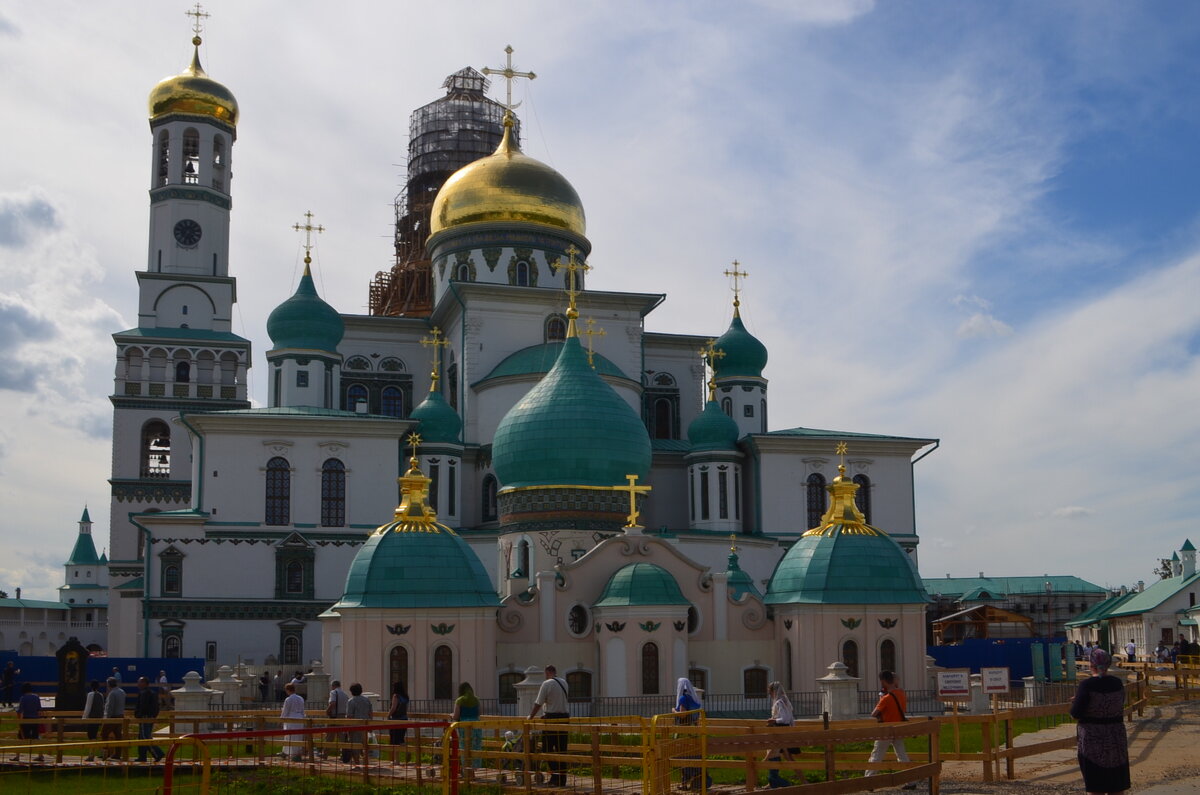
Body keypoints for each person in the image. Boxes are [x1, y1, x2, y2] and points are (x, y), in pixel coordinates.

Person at [1070, 649, 1130, 795]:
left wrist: (1075, 701)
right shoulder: (1117, 683)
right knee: (1116, 784)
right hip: (1116, 737)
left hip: (1093, 740)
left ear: (1092, 664)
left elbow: (1075, 713)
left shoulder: (1087, 685)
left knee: (1096, 784)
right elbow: (1120, 703)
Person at [866, 670, 915, 788]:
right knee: (902, 755)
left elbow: (874, 713)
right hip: (898, 728)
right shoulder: (901, 694)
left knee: (877, 755)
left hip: (886, 729)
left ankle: (868, 782)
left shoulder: (886, 698)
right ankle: (911, 781)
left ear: (883, 681)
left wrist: (881, 699)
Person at [529, 664, 571, 787]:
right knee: (561, 749)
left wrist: (531, 716)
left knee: (546, 748)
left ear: (547, 673)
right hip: (564, 718)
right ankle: (562, 779)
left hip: (552, 719)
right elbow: (557, 701)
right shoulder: (564, 683)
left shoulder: (546, 684)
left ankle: (555, 776)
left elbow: (538, 703)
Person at [674, 677, 709, 791]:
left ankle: (684, 783)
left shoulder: (683, 699)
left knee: (684, 759)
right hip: (693, 733)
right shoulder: (694, 700)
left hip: (684, 732)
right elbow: (696, 719)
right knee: (695, 758)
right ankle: (696, 782)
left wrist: (674, 710)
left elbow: (683, 715)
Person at [763, 681, 795, 788]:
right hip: (784, 731)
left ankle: (780, 782)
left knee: (774, 753)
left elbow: (784, 719)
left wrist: (773, 721)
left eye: (770, 691)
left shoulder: (780, 703)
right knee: (779, 754)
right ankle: (772, 778)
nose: (769, 694)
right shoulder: (785, 701)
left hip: (780, 731)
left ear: (774, 691)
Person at [10, 683, 44, 763]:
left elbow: (20, 711)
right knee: (36, 737)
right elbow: (39, 710)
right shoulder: (36, 697)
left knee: (21, 738)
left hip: (26, 720)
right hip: (35, 720)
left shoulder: (23, 698)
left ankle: (17, 756)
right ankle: (40, 755)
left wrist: (20, 721)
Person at [134, 676, 164, 762]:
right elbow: (157, 706)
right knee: (142, 737)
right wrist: (154, 715)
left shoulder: (144, 693)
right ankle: (142, 756)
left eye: (139, 682)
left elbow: (143, 706)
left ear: (144, 683)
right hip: (151, 717)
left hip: (145, 717)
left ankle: (158, 753)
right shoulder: (153, 693)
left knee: (145, 737)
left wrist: (138, 714)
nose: (138, 684)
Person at [453, 681, 482, 768]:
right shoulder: (476, 699)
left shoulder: (460, 700)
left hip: (464, 726)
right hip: (476, 725)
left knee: (465, 747)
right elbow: (480, 713)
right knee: (476, 746)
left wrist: (451, 716)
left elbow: (456, 716)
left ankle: (467, 769)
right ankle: (475, 767)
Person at [342, 683, 372, 765]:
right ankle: (366, 762)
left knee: (355, 745)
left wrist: (346, 728)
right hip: (365, 725)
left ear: (352, 691)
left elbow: (349, 716)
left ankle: (357, 763)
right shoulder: (367, 700)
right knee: (365, 744)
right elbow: (370, 713)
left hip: (355, 726)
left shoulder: (351, 701)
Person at [280, 682, 307, 762]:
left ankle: (291, 754)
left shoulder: (288, 699)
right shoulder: (300, 698)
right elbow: (302, 710)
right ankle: (296, 753)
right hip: (299, 718)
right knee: (298, 736)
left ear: (288, 690)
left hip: (291, 719)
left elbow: (285, 711)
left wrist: (281, 719)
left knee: (290, 736)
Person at [100, 677, 126, 761]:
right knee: (118, 735)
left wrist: (106, 718)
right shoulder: (122, 692)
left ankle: (105, 753)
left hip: (113, 716)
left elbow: (110, 707)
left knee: (104, 734)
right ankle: (117, 754)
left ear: (108, 684)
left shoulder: (112, 693)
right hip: (121, 715)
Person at [387, 681, 410, 766]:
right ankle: (408, 750)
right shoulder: (406, 696)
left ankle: (397, 760)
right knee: (401, 739)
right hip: (404, 719)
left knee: (395, 740)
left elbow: (393, 708)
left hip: (396, 720)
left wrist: (388, 715)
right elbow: (406, 708)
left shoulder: (396, 696)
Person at [324, 680, 348, 759]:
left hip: (334, 716)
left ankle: (325, 754)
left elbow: (333, 703)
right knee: (342, 737)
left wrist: (327, 711)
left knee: (329, 736)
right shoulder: (345, 694)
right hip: (343, 716)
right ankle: (343, 755)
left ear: (333, 686)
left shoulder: (333, 692)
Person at [82, 680, 105, 761]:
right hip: (98, 718)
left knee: (91, 736)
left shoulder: (90, 694)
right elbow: (102, 707)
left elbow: (88, 707)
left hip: (91, 718)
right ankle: (101, 751)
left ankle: (92, 755)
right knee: (94, 736)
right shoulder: (101, 695)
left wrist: (84, 718)